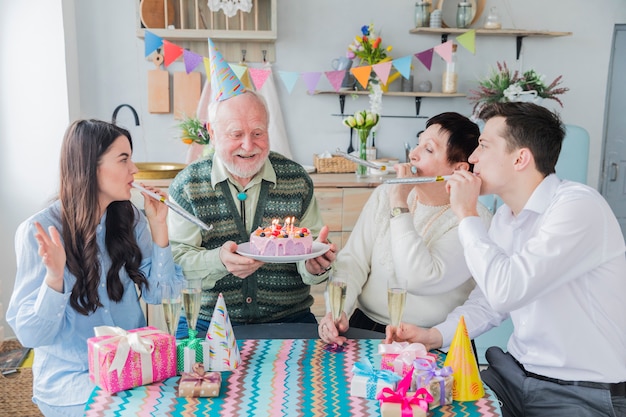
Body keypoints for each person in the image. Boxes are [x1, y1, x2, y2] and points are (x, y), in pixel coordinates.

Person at [386, 102, 626, 417]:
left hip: (581, 391)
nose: (472, 158)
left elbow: (507, 290)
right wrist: (433, 335)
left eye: (483, 146)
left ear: (520, 158)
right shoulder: (506, 219)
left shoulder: (577, 208)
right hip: (514, 375)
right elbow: (488, 302)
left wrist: (466, 213)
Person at [6, 119, 184, 417]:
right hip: (73, 380)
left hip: (133, 372)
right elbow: (31, 336)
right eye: (124, 159)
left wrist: (159, 228)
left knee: (197, 399)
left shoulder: (132, 220)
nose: (135, 170)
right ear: (91, 167)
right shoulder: (40, 231)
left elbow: (162, 295)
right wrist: (54, 278)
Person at [168, 89, 336, 338]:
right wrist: (220, 261)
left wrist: (314, 267)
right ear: (213, 134)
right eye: (236, 134)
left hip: (288, 319)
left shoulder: (296, 179)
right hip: (206, 320)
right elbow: (176, 265)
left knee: (312, 376)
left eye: (258, 133)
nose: (248, 145)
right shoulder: (188, 186)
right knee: (188, 375)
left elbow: (309, 254)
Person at [319, 112, 492, 345]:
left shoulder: (474, 218)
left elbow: (418, 278)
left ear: (458, 169)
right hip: (365, 326)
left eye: (428, 150)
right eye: (419, 142)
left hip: (432, 340)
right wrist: (337, 310)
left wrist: (399, 205)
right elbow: (353, 261)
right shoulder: (385, 194)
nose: (413, 154)